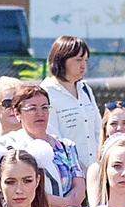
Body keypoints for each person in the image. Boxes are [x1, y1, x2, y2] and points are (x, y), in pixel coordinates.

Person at [0, 81, 86, 207]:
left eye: (44, 108)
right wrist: (68, 206)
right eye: (32, 108)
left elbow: (79, 188)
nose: (40, 113)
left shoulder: (66, 146)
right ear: (17, 114)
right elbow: (23, 191)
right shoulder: (10, 146)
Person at [41, 34, 102, 164]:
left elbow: (98, 129)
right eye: (78, 60)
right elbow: (54, 139)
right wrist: (80, 169)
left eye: (85, 60)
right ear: (61, 60)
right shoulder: (46, 92)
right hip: (66, 169)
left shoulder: (85, 89)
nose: (83, 66)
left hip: (94, 167)